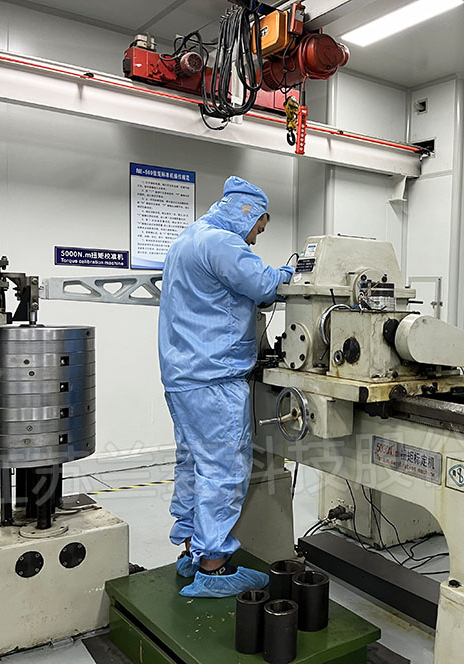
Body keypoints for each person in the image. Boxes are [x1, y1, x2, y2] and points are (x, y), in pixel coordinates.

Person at [158, 176, 294, 598]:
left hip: (183, 376)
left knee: (193, 464)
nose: (255, 238)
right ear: (247, 214)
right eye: (258, 228)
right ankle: (214, 568)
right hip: (214, 378)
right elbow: (265, 285)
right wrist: (295, 272)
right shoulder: (222, 243)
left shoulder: (187, 239)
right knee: (223, 470)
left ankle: (190, 551)